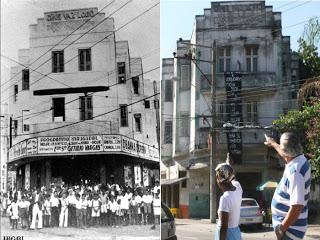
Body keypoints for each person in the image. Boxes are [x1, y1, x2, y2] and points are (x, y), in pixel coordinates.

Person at [264, 132, 311, 240]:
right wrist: (273, 143)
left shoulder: (295, 172)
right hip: (290, 227)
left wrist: (281, 229)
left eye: (281, 146)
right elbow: (283, 152)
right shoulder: (300, 158)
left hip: (290, 230)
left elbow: (297, 207)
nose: (280, 148)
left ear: (287, 152)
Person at [215, 163, 243, 240]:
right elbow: (233, 179)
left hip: (227, 235)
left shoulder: (225, 198)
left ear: (219, 180)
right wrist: (228, 164)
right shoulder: (238, 186)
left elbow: (224, 227)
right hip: (236, 232)